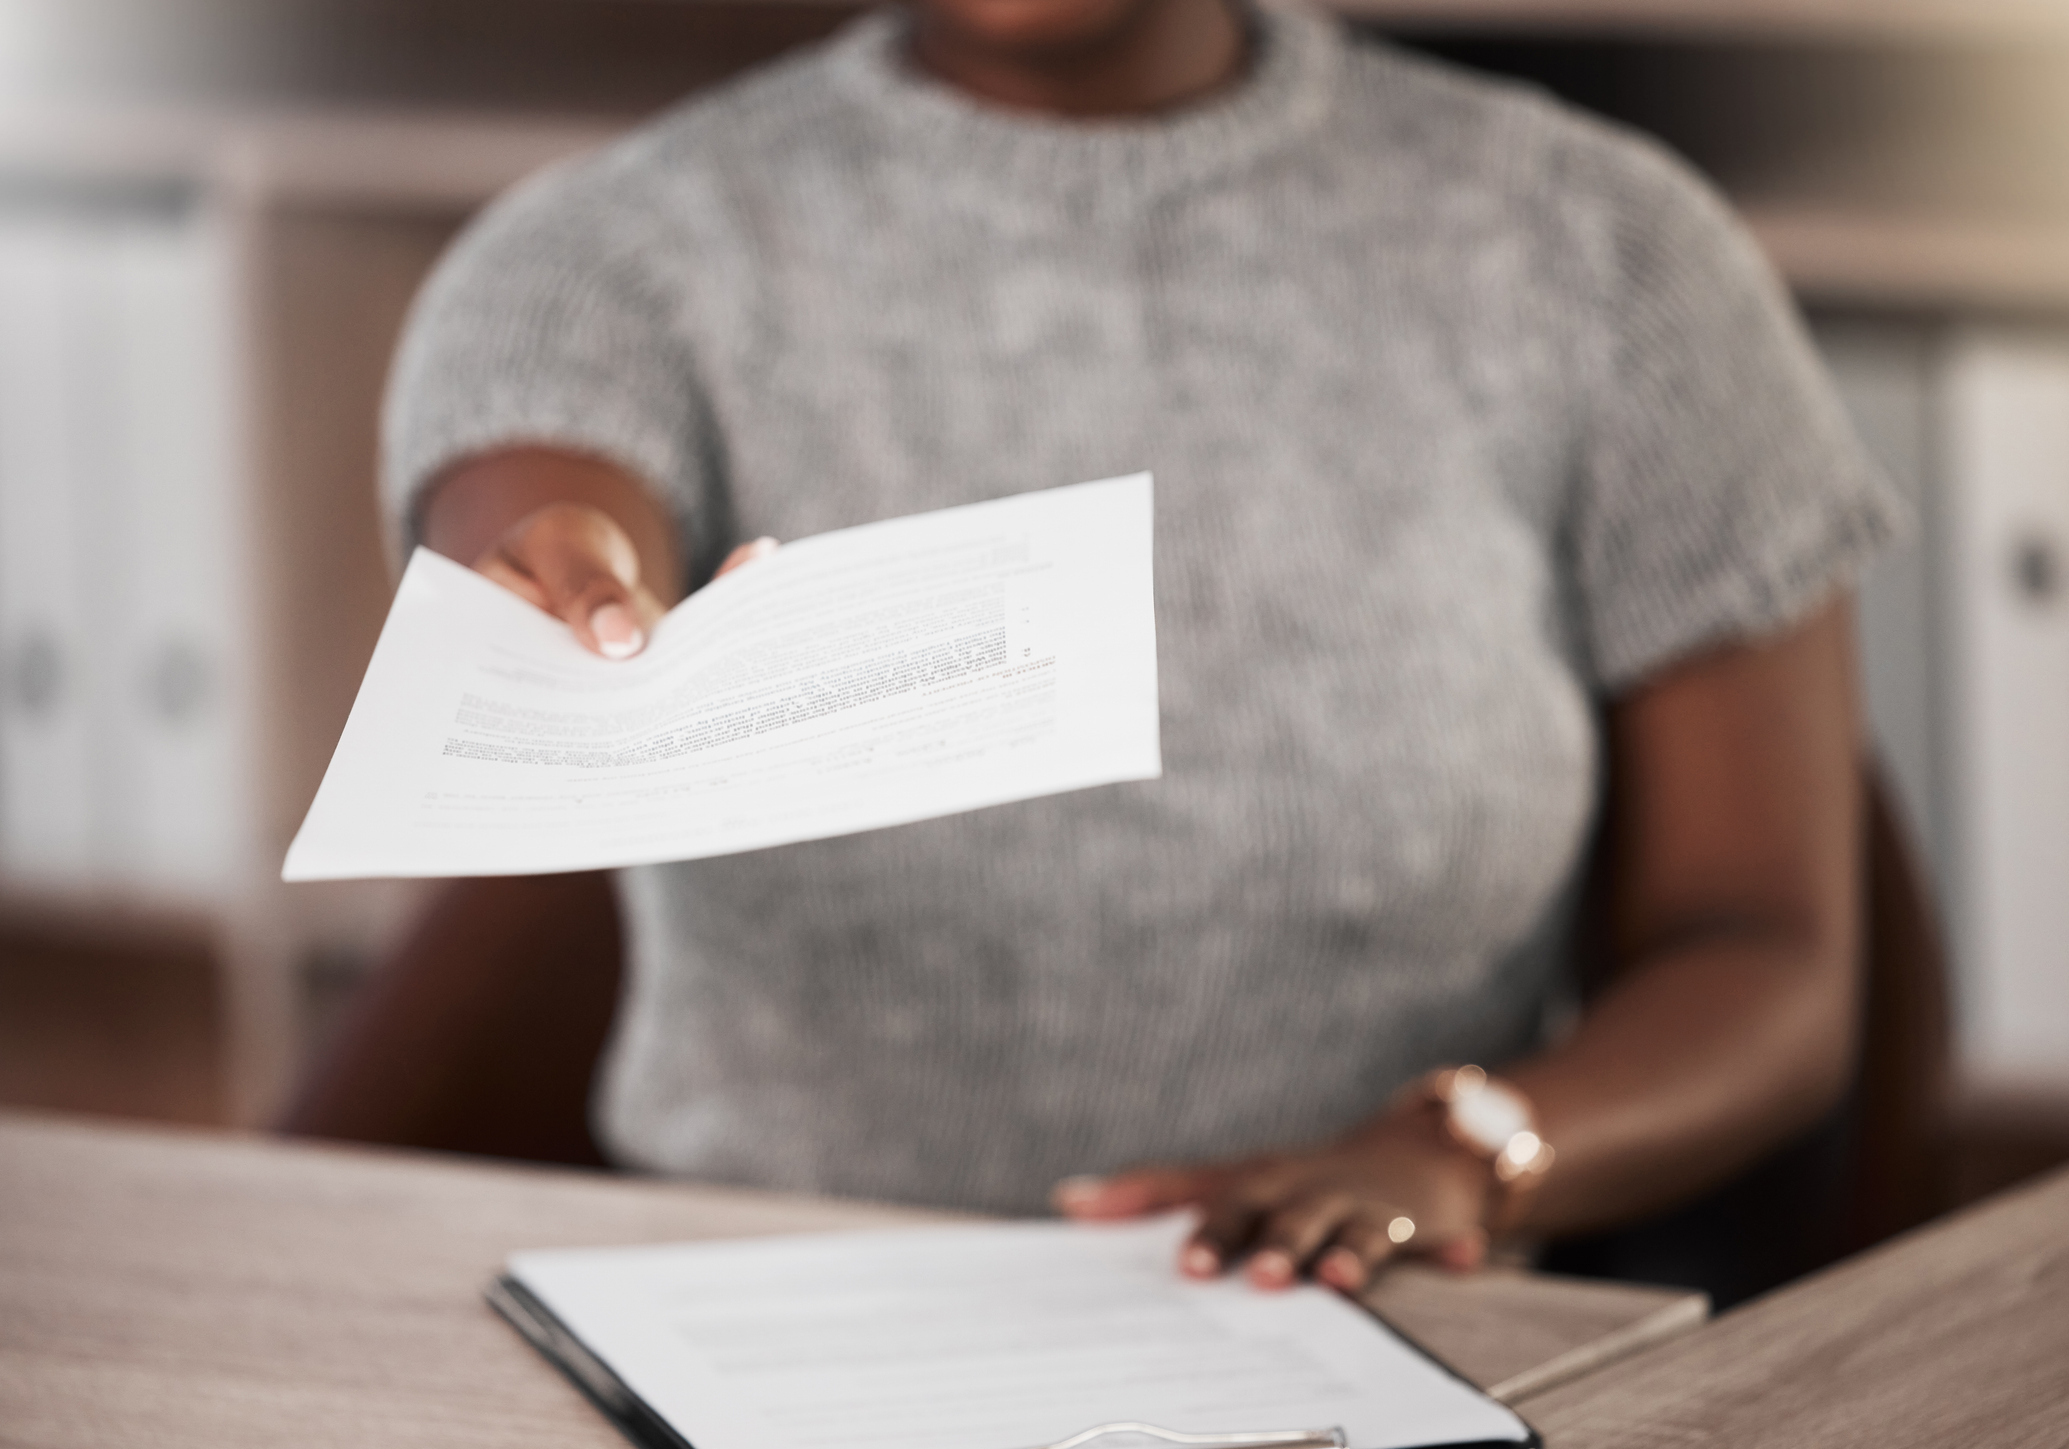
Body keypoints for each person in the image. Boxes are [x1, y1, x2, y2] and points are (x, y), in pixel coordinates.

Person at [383, 0, 1901, 1293]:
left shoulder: (1609, 256)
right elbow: (544, 497)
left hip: (1358, 1329)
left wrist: (1467, 1151)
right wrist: (563, 581)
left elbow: (1764, 952)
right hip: (753, 1342)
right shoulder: (608, 251)